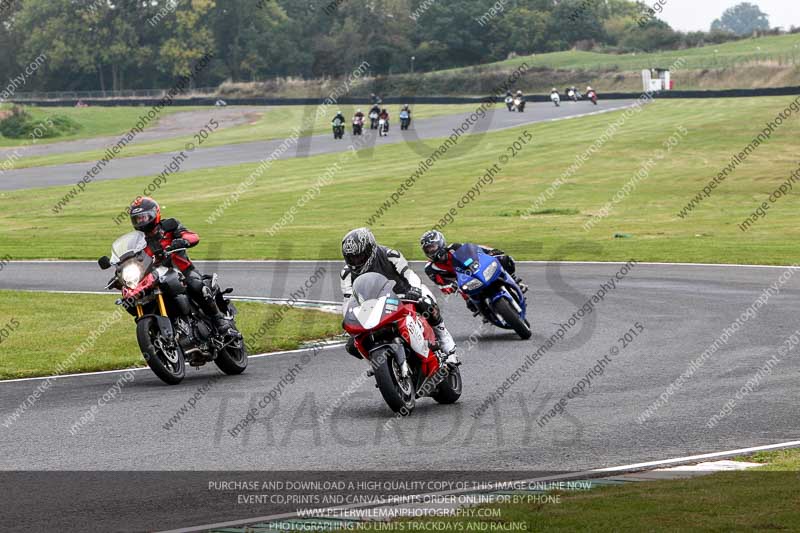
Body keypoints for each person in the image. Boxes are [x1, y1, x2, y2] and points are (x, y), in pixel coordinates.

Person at [340, 228, 459, 364]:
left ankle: (445, 342)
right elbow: (348, 299)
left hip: (404, 296)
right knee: (352, 345)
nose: (355, 261)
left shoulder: (391, 255)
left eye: (359, 256)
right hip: (373, 306)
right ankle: (377, 365)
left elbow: (408, 274)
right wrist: (347, 319)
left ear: (370, 249)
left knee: (427, 303)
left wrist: (414, 289)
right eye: (351, 258)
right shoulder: (346, 273)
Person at [128, 196, 232, 331]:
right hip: (156, 278)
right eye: (138, 218)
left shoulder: (169, 226)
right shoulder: (137, 242)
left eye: (144, 217)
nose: (141, 221)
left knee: (195, 285)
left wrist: (184, 241)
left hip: (183, 271)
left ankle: (218, 318)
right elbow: (131, 259)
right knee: (136, 298)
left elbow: (191, 235)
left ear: (155, 213)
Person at [420, 230, 527, 314]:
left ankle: (514, 280)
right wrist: (449, 286)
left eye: (432, 247)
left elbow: (475, 249)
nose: (431, 251)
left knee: (505, 260)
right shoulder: (430, 268)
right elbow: (441, 284)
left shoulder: (454, 247)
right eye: (427, 250)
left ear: (441, 243)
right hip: (463, 284)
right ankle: (484, 313)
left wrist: (491, 251)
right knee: (471, 305)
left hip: (475, 269)